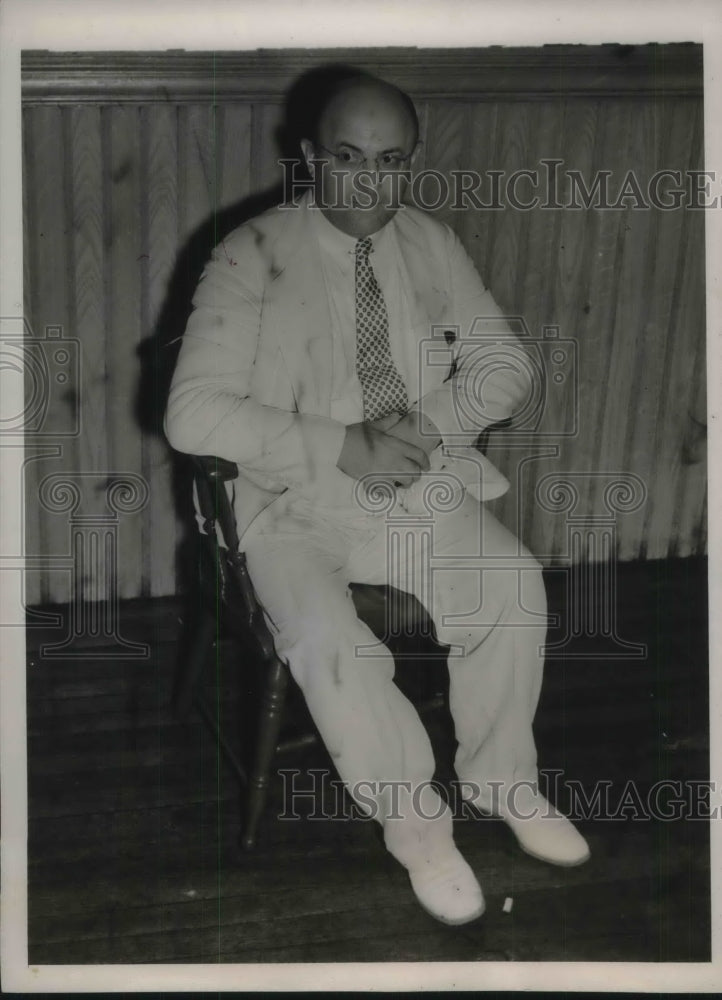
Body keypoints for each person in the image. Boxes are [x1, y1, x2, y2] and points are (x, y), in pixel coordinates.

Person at [165, 70, 589, 926]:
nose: (369, 184)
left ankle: (504, 782)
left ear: (410, 164)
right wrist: (342, 445)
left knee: (512, 586)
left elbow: (505, 367)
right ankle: (416, 825)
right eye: (349, 158)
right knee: (332, 641)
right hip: (293, 502)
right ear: (311, 157)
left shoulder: (429, 243)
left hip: (413, 485)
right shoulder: (250, 252)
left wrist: (420, 428)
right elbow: (191, 414)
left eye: (390, 162)